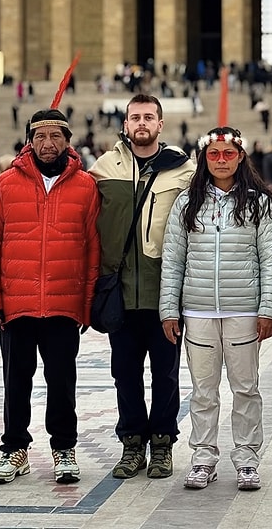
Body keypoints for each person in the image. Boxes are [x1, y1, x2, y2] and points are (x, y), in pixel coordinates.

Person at [0, 108, 101, 485]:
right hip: (17, 302)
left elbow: (93, 249)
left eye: (56, 137)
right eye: (41, 137)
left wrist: (87, 303)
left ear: (68, 140)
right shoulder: (4, 185)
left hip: (63, 302)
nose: (48, 145)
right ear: (30, 141)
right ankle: (14, 449)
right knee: (16, 381)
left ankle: (64, 449)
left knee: (62, 380)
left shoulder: (85, 187)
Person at [160, 126, 272, 491]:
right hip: (197, 311)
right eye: (214, 154)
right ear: (204, 158)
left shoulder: (260, 203)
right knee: (203, 391)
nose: (221, 160)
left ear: (241, 156)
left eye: (228, 153)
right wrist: (169, 309)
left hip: (243, 309)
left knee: (245, 388)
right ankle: (202, 458)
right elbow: (173, 259)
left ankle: (246, 459)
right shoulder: (187, 202)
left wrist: (268, 309)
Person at [89, 94, 195, 480]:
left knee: (166, 373)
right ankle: (132, 443)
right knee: (125, 373)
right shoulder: (104, 168)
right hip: (120, 292)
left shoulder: (183, 170)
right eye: (135, 117)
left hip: (163, 292)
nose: (142, 123)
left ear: (160, 124)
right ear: (125, 123)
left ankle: (163, 443)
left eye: (149, 117)